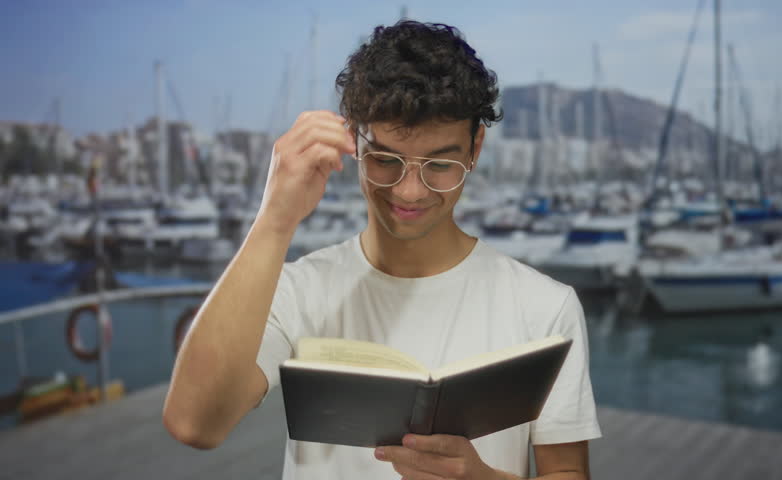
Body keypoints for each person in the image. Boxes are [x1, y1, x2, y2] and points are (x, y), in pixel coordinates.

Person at [163, 20, 600, 480]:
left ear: (475, 148)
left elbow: (567, 472)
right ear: (354, 141)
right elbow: (195, 423)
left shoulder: (546, 307)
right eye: (386, 160)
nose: (410, 191)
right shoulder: (298, 290)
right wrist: (275, 217)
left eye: (441, 164)